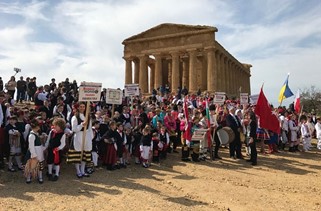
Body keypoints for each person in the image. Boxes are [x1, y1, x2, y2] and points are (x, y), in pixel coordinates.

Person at [67, 102, 93, 178]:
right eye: (80, 107)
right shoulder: (75, 117)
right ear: (78, 108)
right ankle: (78, 171)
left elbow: (90, 128)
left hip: (86, 136)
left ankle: (82, 170)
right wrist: (82, 125)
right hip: (78, 136)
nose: (82, 108)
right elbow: (74, 129)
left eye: (83, 107)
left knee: (85, 154)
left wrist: (90, 137)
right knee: (77, 154)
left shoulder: (88, 116)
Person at [25, 119, 45, 184]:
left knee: (39, 165)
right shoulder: (32, 135)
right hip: (34, 153)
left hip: (39, 152)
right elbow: (31, 146)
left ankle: (40, 177)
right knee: (31, 166)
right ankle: (28, 177)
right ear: (37, 127)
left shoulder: (36, 133)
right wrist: (34, 155)